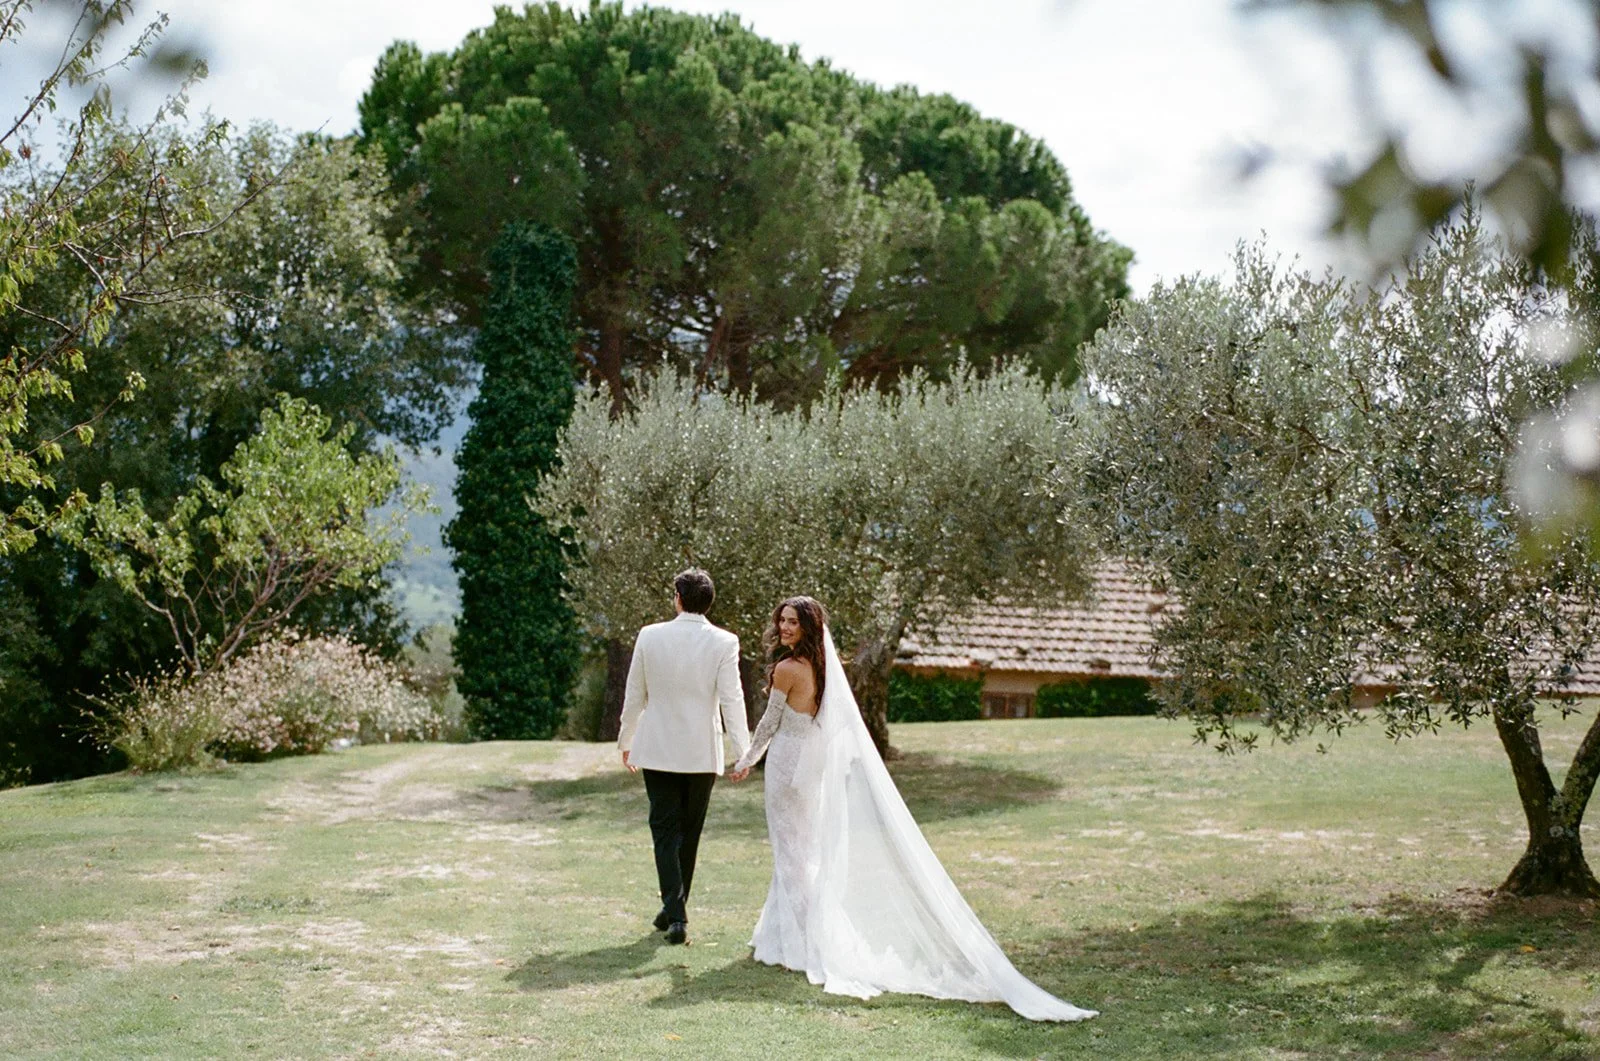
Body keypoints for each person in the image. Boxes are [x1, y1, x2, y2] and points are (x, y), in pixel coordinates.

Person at [728, 596, 1098, 1022]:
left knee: (791, 853)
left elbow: (770, 723)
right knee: (801, 851)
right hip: (812, 766)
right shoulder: (825, 670)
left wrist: (746, 761)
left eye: (793, 621)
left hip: (789, 764)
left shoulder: (787, 669)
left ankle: (804, 945)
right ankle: (781, 938)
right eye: (783, 620)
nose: (785, 626)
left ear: (809, 627)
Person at [617, 568, 751, 946]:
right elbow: (732, 699)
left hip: (657, 747)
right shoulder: (725, 641)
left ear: (677, 596)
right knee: (688, 833)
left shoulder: (650, 635)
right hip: (700, 752)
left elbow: (634, 694)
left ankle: (674, 914)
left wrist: (626, 738)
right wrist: (742, 750)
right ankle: (675, 912)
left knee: (664, 831)